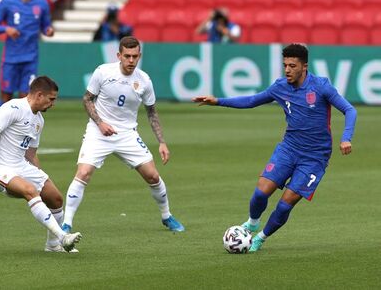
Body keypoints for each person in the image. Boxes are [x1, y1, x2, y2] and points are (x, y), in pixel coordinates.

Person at [192, 43, 357, 252]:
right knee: (261, 192)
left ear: (304, 66)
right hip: (289, 148)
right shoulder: (280, 86)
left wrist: (346, 138)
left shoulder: (321, 86)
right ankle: (252, 222)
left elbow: (350, 110)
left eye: (292, 66)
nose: (287, 70)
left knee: (286, 202)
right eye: (285, 65)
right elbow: (252, 100)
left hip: (315, 157)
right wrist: (218, 101)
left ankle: (260, 238)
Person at [61, 36, 185, 234]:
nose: (131, 60)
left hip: (127, 134)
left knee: (153, 176)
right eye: (127, 56)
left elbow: (151, 111)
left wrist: (162, 142)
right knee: (83, 173)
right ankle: (66, 224)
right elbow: (87, 99)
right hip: (98, 131)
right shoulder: (103, 72)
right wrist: (100, 123)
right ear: (119, 55)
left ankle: (167, 216)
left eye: (135, 56)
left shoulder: (144, 80)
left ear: (139, 56)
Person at [0, 76, 82, 253]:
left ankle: (53, 245)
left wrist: (41, 176)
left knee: (55, 198)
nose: (53, 104)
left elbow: (31, 154)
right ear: (39, 95)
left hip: (20, 165)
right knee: (30, 190)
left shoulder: (39, 120)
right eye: (51, 99)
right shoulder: (13, 108)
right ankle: (63, 237)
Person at [0, 0, 54, 106]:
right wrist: (6, 29)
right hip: (10, 57)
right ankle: (0, 125)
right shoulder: (7, 2)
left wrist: (48, 30)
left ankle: (20, 127)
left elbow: (46, 26)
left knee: (26, 96)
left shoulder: (41, 4)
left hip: (30, 57)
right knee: (6, 95)